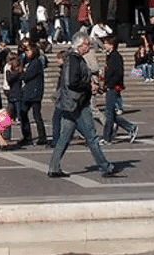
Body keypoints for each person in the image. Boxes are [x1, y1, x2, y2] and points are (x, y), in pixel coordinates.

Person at [47, 32, 120, 179]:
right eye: (87, 44)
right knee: (92, 136)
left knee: (65, 136)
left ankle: (53, 167)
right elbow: (72, 82)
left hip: (71, 103)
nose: (89, 46)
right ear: (80, 45)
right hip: (78, 103)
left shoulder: (73, 58)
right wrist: (89, 86)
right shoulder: (73, 59)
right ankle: (105, 166)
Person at [101, 37, 138, 144]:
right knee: (111, 113)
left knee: (109, 114)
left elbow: (117, 73)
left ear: (111, 45)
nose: (104, 45)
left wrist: (109, 85)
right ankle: (131, 127)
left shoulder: (116, 56)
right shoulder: (110, 56)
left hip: (113, 87)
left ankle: (107, 138)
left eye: (106, 43)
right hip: (110, 86)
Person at [19, 43, 47, 146]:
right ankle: (27, 136)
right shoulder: (29, 62)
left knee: (36, 115)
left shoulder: (36, 63)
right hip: (29, 91)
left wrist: (21, 74)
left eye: (28, 51)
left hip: (34, 92)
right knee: (23, 113)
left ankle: (42, 137)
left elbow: (27, 76)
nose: (26, 53)